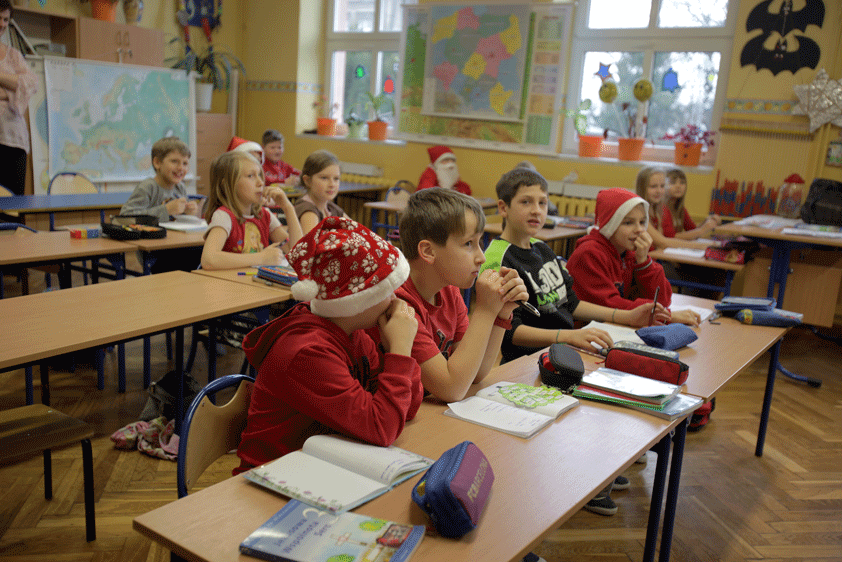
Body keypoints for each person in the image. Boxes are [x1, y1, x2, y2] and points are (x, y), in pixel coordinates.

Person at [234, 216, 422, 472]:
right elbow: (382, 429)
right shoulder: (307, 352)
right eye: (386, 290)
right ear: (357, 299)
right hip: (273, 476)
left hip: (323, 464)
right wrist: (401, 351)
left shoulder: (356, 335)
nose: (395, 300)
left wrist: (395, 349)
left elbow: (406, 410)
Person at [481, 167, 668, 365]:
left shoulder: (542, 249)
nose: (536, 210)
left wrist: (628, 316)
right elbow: (509, 331)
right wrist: (568, 336)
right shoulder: (498, 259)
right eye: (526, 202)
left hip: (562, 351)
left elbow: (571, 303)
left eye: (542, 202)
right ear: (503, 208)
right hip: (527, 362)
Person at [391, 187, 528, 403]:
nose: (481, 257)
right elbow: (452, 389)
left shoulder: (448, 290)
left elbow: (477, 373)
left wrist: (501, 313)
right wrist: (485, 311)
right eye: (468, 244)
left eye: (479, 243)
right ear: (428, 251)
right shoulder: (400, 304)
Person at [566, 188, 700, 327]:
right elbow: (610, 305)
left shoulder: (629, 252)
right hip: (585, 331)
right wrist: (666, 316)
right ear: (609, 224)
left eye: (642, 222)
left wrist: (644, 262)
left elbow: (662, 301)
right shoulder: (589, 254)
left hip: (617, 328)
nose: (639, 229)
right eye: (628, 223)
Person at [201, 151, 303, 270]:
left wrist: (288, 208)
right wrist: (261, 258)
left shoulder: (264, 215)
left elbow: (298, 254)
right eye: (250, 176)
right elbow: (209, 260)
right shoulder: (224, 216)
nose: (261, 182)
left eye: (259, 175)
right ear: (227, 184)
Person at [121, 136, 203, 272]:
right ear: (157, 163)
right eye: (174, 161)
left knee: (202, 250)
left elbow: (178, 221)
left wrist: (188, 212)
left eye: (185, 163)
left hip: (176, 243)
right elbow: (125, 217)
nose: (180, 168)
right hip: (154, 250)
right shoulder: (148, 187)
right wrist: (166, 210)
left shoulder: (180, 188)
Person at [0, 0, 38, 196]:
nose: (2, 24)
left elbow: (31, 83)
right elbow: (21, 84)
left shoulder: (13, 55)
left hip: (14, 142)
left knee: (14, 206)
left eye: (6, 19)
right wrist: (13, 87)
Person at [635, 166, 708, 250]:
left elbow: (660, 246)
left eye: (662, 186)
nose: (659, 191)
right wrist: (702, 246)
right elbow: (663, 242)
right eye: (653, 186)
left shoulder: (657, 210)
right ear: (642, 188)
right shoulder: (639, 212)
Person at [293, 149, 349, 235]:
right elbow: (312, 243)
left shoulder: (331, 207)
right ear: (307, 181)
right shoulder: (308, 211)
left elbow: (357, 231)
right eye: (324, 178)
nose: (332, 184)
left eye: (336, 178)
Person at [664, 168, 721, 240]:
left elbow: (692, 229)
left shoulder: (681, 209)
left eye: (682, 183)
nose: (678, 186)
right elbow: (671, 237)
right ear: (663, 186)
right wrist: (703, 230)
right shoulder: (663, 208)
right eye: (673, 182)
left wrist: (707, 221)